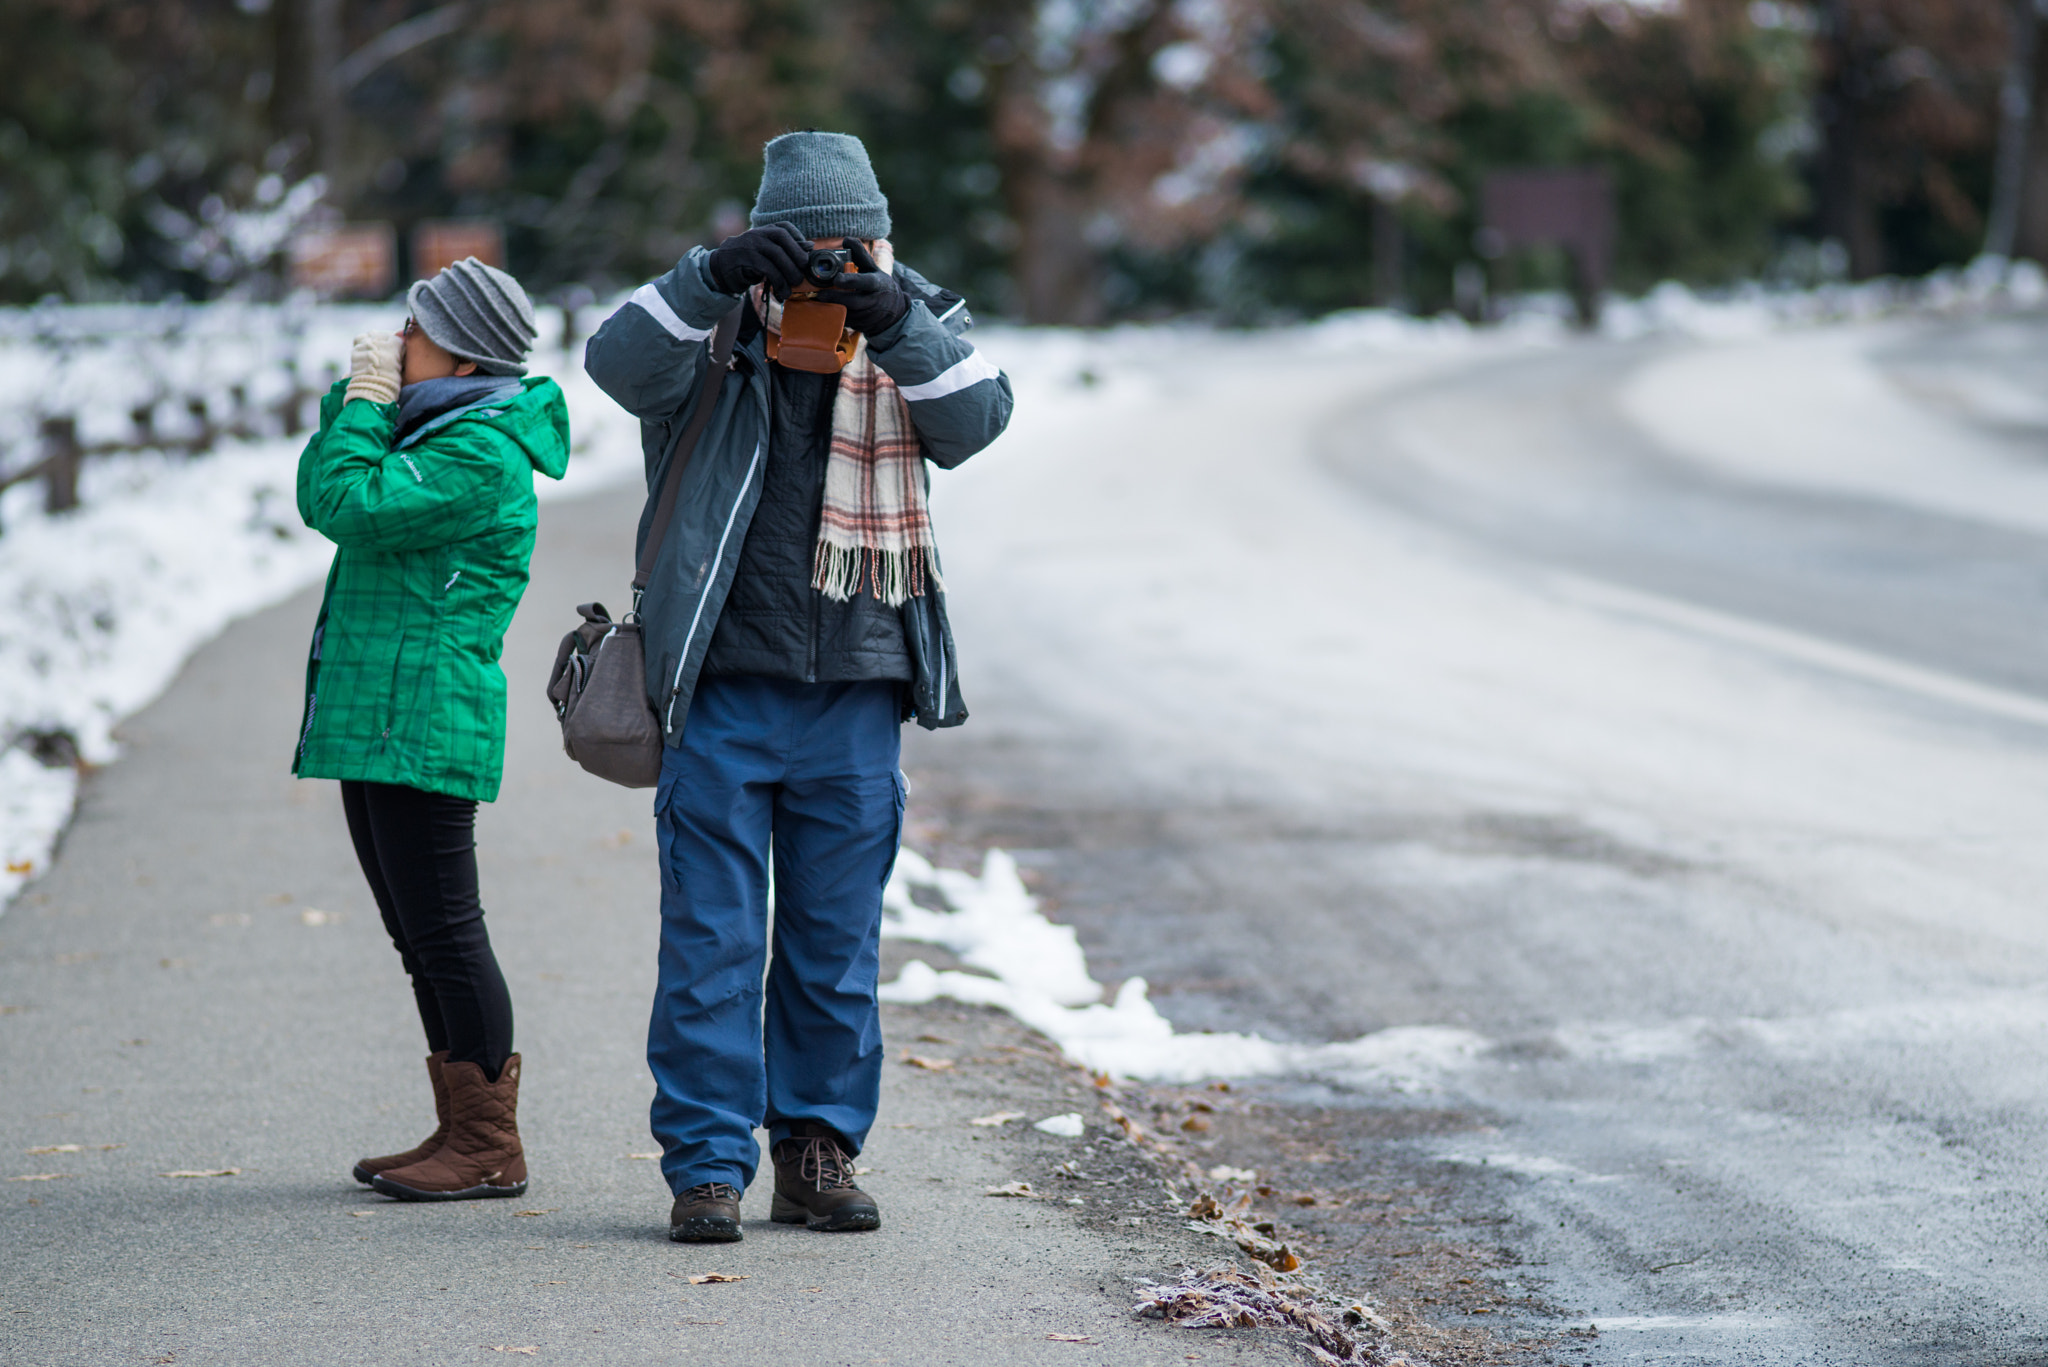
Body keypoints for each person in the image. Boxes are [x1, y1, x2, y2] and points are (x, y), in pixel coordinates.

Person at [584, 130, 1013, 1242]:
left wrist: (892, 313)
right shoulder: (710, 338)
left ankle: (817, 1152)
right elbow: (612, 362)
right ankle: (707, 1166)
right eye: (807, 243)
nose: (826, 262)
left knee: (832, 948)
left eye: (849, 239)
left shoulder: (908, 324)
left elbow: (978, 420)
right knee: (711, 946)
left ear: (878, 233)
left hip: (856, 693)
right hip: (723, 689)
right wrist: (713, 270)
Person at [293, 256, 569, 1201]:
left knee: (447, 931)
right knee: (417, 935)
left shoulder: (478, 452)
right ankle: (462, 1129)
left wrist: (367, 398)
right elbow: (331, 487)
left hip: (425, 715)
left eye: (416, 330)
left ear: (462, 356)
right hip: (380, 711)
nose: (395, 341)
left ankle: (491, 1142)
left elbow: (344, 502)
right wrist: (364, 399)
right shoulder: (436, 430)